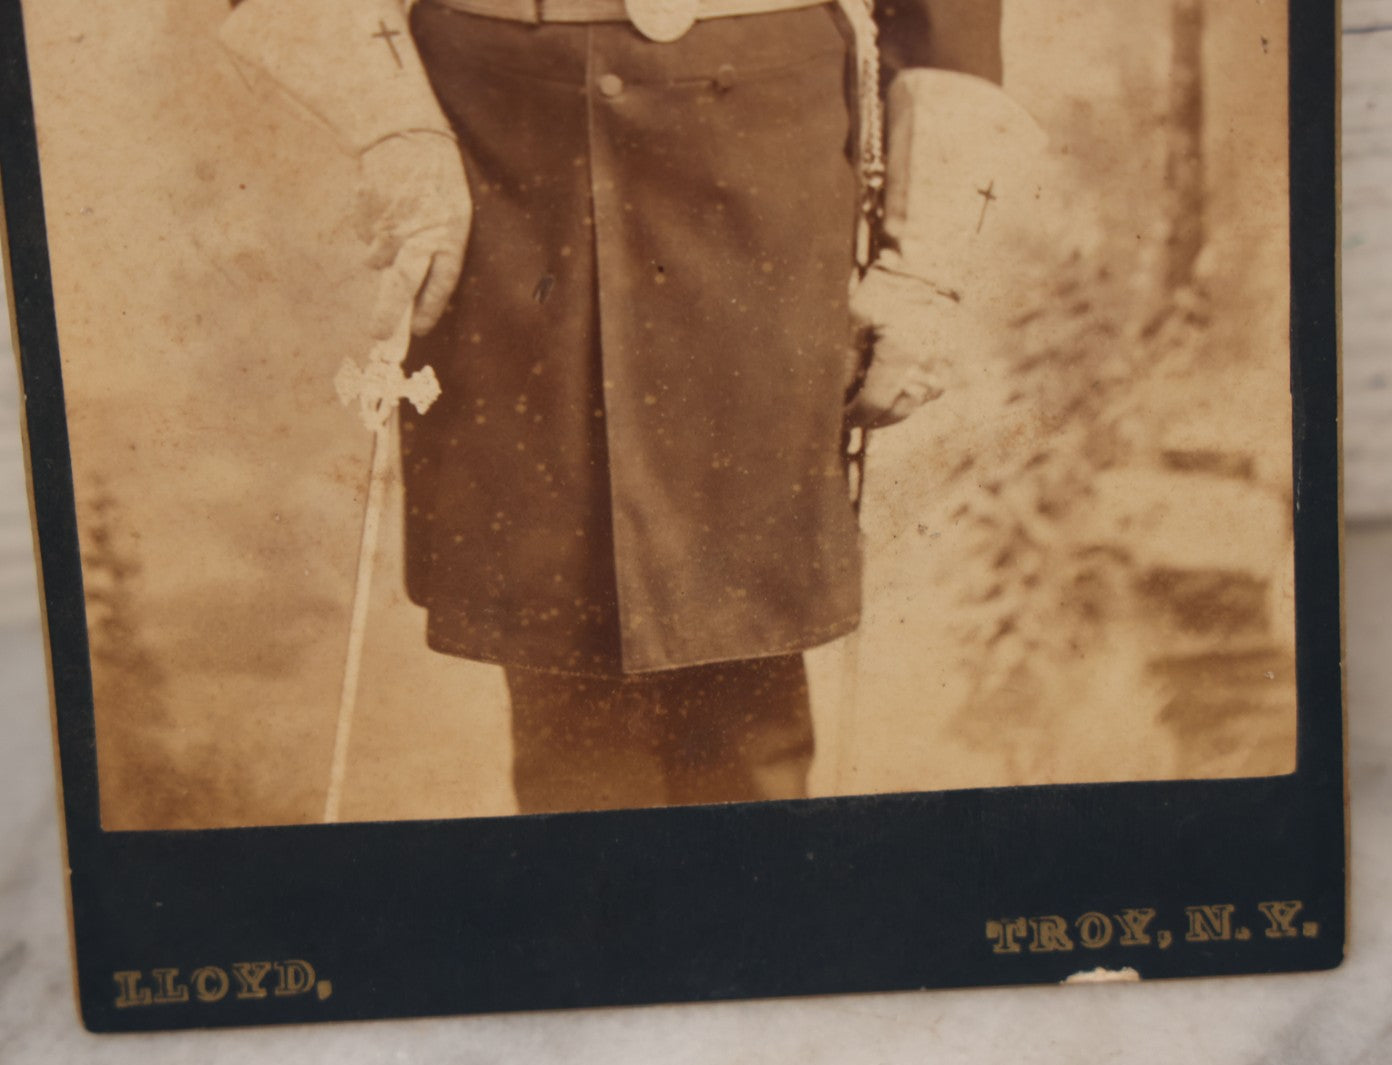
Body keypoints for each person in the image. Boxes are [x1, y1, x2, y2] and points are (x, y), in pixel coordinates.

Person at [221, 0, 1003, 814]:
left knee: (745, 664)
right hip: (498, 145)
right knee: (562, 670)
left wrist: (928, 265)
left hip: (758, 144)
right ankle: (594, 930)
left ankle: (764, 930)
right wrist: (391, 130)